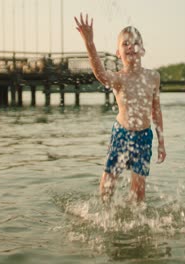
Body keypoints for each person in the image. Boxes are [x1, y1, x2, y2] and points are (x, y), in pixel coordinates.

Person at [75, 13, 166, 203]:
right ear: (118, 52)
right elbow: (100, 73)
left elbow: (156, 110)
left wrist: (161, 142)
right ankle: (105, 211)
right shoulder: (119, 78)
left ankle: (132, 220)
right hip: (121, 134)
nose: (130, 46)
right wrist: (90, 43)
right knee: (109, 181)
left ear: (142, 50)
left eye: (135, 43)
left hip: (144, 137)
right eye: (125, 44)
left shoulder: (153, 77)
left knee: (139, 192)